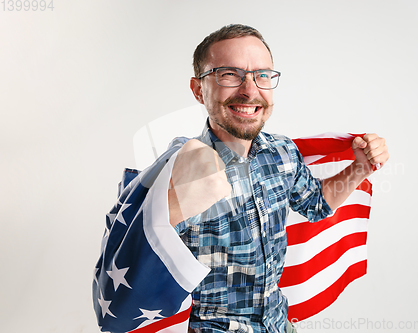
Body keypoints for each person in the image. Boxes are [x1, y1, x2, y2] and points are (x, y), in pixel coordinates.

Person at [94, 24, 389, 333]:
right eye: (229, 74)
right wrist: (173, 204)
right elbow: (142, 267)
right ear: (198, 90)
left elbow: (316, 205)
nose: (250, 90)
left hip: (278, 325)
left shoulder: (283, 152)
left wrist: (361, 168)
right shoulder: (179, 168)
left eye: (262, 75)